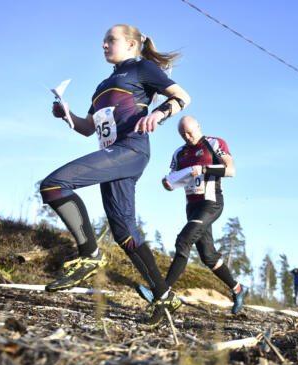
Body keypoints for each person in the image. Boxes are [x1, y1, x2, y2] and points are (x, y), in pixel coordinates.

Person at [39, 24, 190, 325]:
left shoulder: (142, 68)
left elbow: (182, 96)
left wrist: (159, 113)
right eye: (104, 41)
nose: (104, 45)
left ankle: (90, 254)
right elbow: (88, 128)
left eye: (111, 40)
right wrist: (66, 115)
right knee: (124, 232)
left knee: (54, 185)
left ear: (132, 45)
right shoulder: (102, 86)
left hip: (131, 150)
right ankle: (164, 296)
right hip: (113, 154)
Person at [159, 116, 248, 319]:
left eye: (190, 132)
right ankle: (238, 288)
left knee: (183, 241)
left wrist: (204, 169)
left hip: (211, 203)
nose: (187, 137)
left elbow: (231, 170)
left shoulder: (214, 143)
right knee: (208, 256)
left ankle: (161, 292)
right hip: (192, 207)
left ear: (198, 127)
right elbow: (174, 179)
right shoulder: (179, 153)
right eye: (183, 134)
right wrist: (167, 184)